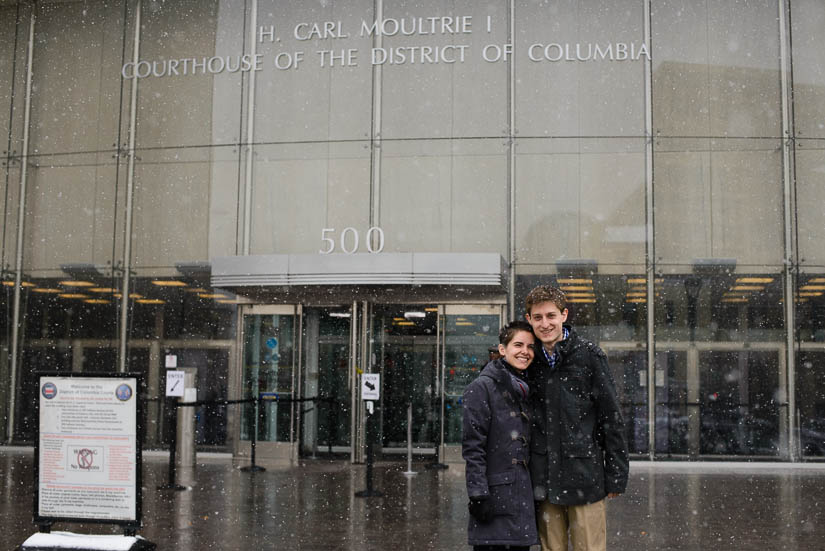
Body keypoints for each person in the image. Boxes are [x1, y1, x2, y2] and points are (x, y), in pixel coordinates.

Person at [525, 285, 629, 551]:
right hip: (545, 480)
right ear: (529, 320)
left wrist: (616, 474)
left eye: (551, 315)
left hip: (585, 477)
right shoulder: (528, 360)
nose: (545, 323)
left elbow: (612, 417)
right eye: (538, 317)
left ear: (564, 315)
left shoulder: (589, 356)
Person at [462, 321, 540, 551]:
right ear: (503, 349)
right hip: (495, 499)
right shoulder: (482, 387)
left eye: (530, 346)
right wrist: (478, 494)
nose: (525, 352)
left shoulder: (528, 386)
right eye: (518, 345)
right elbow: (473, 447)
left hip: (521, 498)